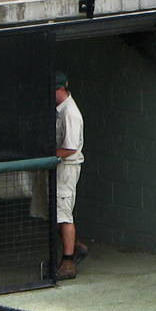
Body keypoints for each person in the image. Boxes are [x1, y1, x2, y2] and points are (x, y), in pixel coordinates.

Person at [53, 71, 85, 280]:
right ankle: (76, 247)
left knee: (64, 214)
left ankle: (68, 261)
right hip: (59, 167)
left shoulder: (70, 113)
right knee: (56, 212)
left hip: (67, 168)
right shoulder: (59, 110)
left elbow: (71, 148)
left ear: (60, 89)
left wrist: (50, 155)